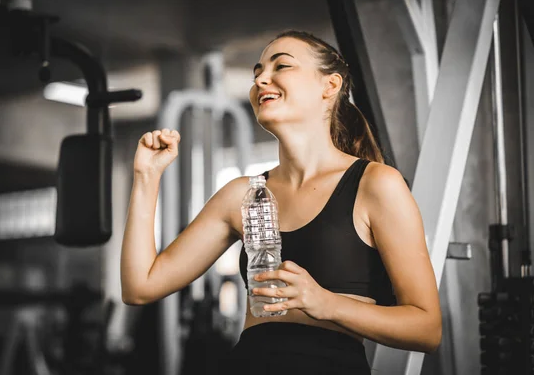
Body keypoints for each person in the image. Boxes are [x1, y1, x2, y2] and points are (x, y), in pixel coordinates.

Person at [120, 30, 442, 374]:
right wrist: (145, 177)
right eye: (256, 72)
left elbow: (426, 328)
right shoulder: (242, 195)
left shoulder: (375, 184)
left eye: (281, 66)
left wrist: (325, 303)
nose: (262, 79)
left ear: (330, 86)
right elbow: (141, 286)